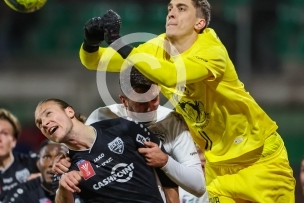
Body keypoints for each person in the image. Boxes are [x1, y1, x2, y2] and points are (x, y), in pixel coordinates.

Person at [79, 0, 296, 202]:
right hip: (217, 169)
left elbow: (172, 75)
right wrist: (90, 42)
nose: (171, 13)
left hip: (259, 160)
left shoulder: (211, 50)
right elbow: (95, 61)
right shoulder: (156, 48)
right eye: (170, 8)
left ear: (199, 23)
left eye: (181, 9)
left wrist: (119, 43)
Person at [55, 66, 206, 199]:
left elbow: (198, 186)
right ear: (124, 101)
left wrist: (166, 161)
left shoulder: (171, 121)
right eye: (141, 103)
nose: (150, 107)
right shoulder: (101, 117)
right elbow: (81, 156)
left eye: (154, 99)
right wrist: (65, 158)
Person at [34, 98, 177, 203]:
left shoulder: (123, 127)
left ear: (69, 111)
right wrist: (64, 188)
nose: (45, 123)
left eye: (48, 114)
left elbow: (164, 169)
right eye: (39, 123)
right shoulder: (63, 169)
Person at [3, 140, 83, 203]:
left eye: (61, 157)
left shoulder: (84, 187)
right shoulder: (23, 193)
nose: (52, 164)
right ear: (38, 164)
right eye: (47, 157)